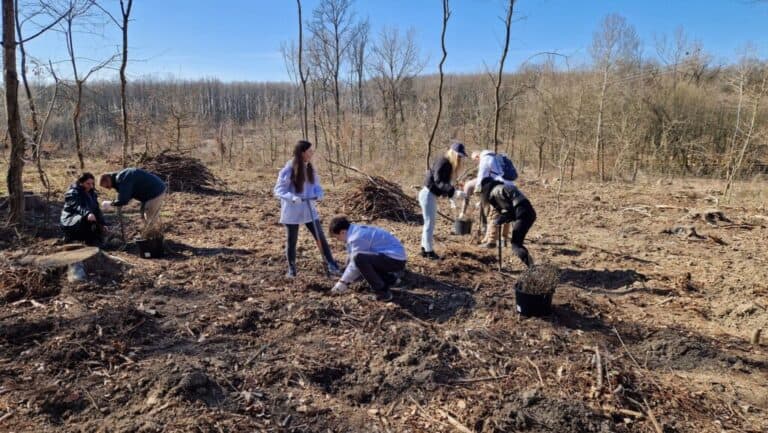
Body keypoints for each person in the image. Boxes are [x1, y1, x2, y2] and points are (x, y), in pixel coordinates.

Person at [274, 140, 341, 278]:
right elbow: (279, 190)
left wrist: (319, 194)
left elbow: (316, 186)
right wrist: (292, 197)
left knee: (320, 237)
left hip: (309, 208)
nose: (312, 153)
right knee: (292, 240)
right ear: (302, 152)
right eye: (310, 151)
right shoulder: (289, 169)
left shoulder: (310, 168)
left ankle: (331, 264)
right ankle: (292, 269)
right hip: (292, 209)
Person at [328, 216, 406, 302]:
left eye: (337, 237)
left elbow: (354, 263)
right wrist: (345, 274)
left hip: (394, 260)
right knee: (362, 260)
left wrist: (342, 283)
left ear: (343, 232)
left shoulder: (356, 237)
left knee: (359, 259)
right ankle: (390, 280)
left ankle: (383, 293)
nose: (338, 240)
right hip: (393, 257)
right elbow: (351, 256)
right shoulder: (355, 230)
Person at [419, 142, 468, 260]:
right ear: (453, 153)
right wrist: (453, 192)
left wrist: (452, 195)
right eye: (459, 156)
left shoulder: (447, 163)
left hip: (430, 195)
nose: (460, 159)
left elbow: (444, 183)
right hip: (427, 194)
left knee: (429, 223)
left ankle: (424, 249)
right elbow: (438, 181)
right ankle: (429, 251)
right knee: (430, 223)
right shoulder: (443, 161)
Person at [462, 149, 517, 248]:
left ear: (478, 156)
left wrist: (478, 190)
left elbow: (481, 176)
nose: (477, 162)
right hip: (510, 187)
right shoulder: (498, 158)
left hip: (499, 188)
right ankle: (503, 239)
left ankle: (491, 241)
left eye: (475, 160)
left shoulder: (485, 158)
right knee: (506, 213)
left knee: (493, 214)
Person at [480, 177, 536, 268]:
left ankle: (532, 268)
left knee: (516, 245)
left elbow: (511, 210)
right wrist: (505, 217)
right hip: (530, 213)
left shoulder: (495, 192)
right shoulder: (504, 187)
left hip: (522, 214)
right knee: (517, 243)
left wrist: (502, 218)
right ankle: (532, 266)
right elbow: (513, 209)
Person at [99, 168, 167, 231]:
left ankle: (153, 236)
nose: (109, 189)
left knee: (150, 218)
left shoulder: (123, 178)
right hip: (149, 193)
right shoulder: (121, 178)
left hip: (155, 192)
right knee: (143, 214)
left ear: (108, 179)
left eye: (107, 186)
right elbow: (126, 194)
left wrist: (111, 203)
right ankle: (148, 233)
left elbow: (124, 200)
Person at [60, 172, 106, 245]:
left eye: (92, 184)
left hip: (84, 219)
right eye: (88, 184)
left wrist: (103, 223)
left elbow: (97, 210)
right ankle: (70, 237)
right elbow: (77, 206)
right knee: (86, 219)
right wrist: (88, 214)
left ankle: (94, 241)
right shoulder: (72, 193)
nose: (91, 186)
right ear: (80, 183)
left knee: (98, 224)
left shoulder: (92, 194)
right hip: (70, 222)